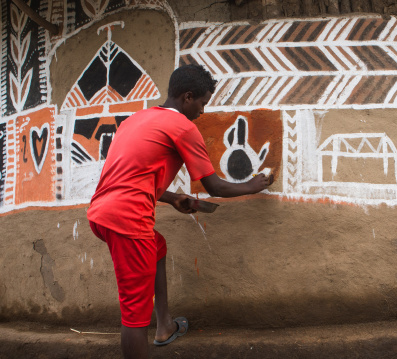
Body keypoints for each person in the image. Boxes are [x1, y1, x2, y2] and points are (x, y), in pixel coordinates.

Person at [87, 64, 273, 359]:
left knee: (157, 246)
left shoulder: (137, 119)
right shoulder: (184, 127)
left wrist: (173, 198)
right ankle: (154, 328)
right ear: (188, 97)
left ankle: (165, 326)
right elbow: (214, 187)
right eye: (202, 103)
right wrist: (252, 186)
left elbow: (131, 178)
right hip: (127, 221)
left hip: (100, 214)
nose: (202, 111)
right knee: (134, 317)